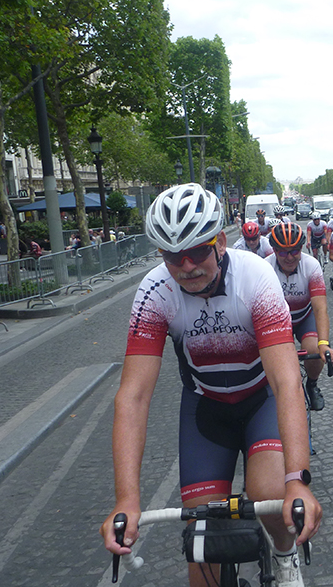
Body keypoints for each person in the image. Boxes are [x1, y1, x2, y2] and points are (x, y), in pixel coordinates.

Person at [99, 183, 321, 587]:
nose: (186, 266)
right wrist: (126, 499)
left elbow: (286, 381)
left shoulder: (256, 277)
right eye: (173, 256)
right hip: (206, 410)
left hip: (261, 401)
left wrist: (297, 482)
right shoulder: (153, 292)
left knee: (269, 493)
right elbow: (133, 397)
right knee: (201, 549)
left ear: (219, 242)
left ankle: (284, 553)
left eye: (197, 252)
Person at [266, 222, 333, 411]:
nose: (289, 257)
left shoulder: (311, 265)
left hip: (305, 316)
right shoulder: (264, 267)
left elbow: (320, 308)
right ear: (274, 250)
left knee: (313, 348)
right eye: (283, 252)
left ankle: (312, 384)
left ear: (301, 248)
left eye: (294, 251)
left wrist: (324, 343)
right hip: (278, 320)